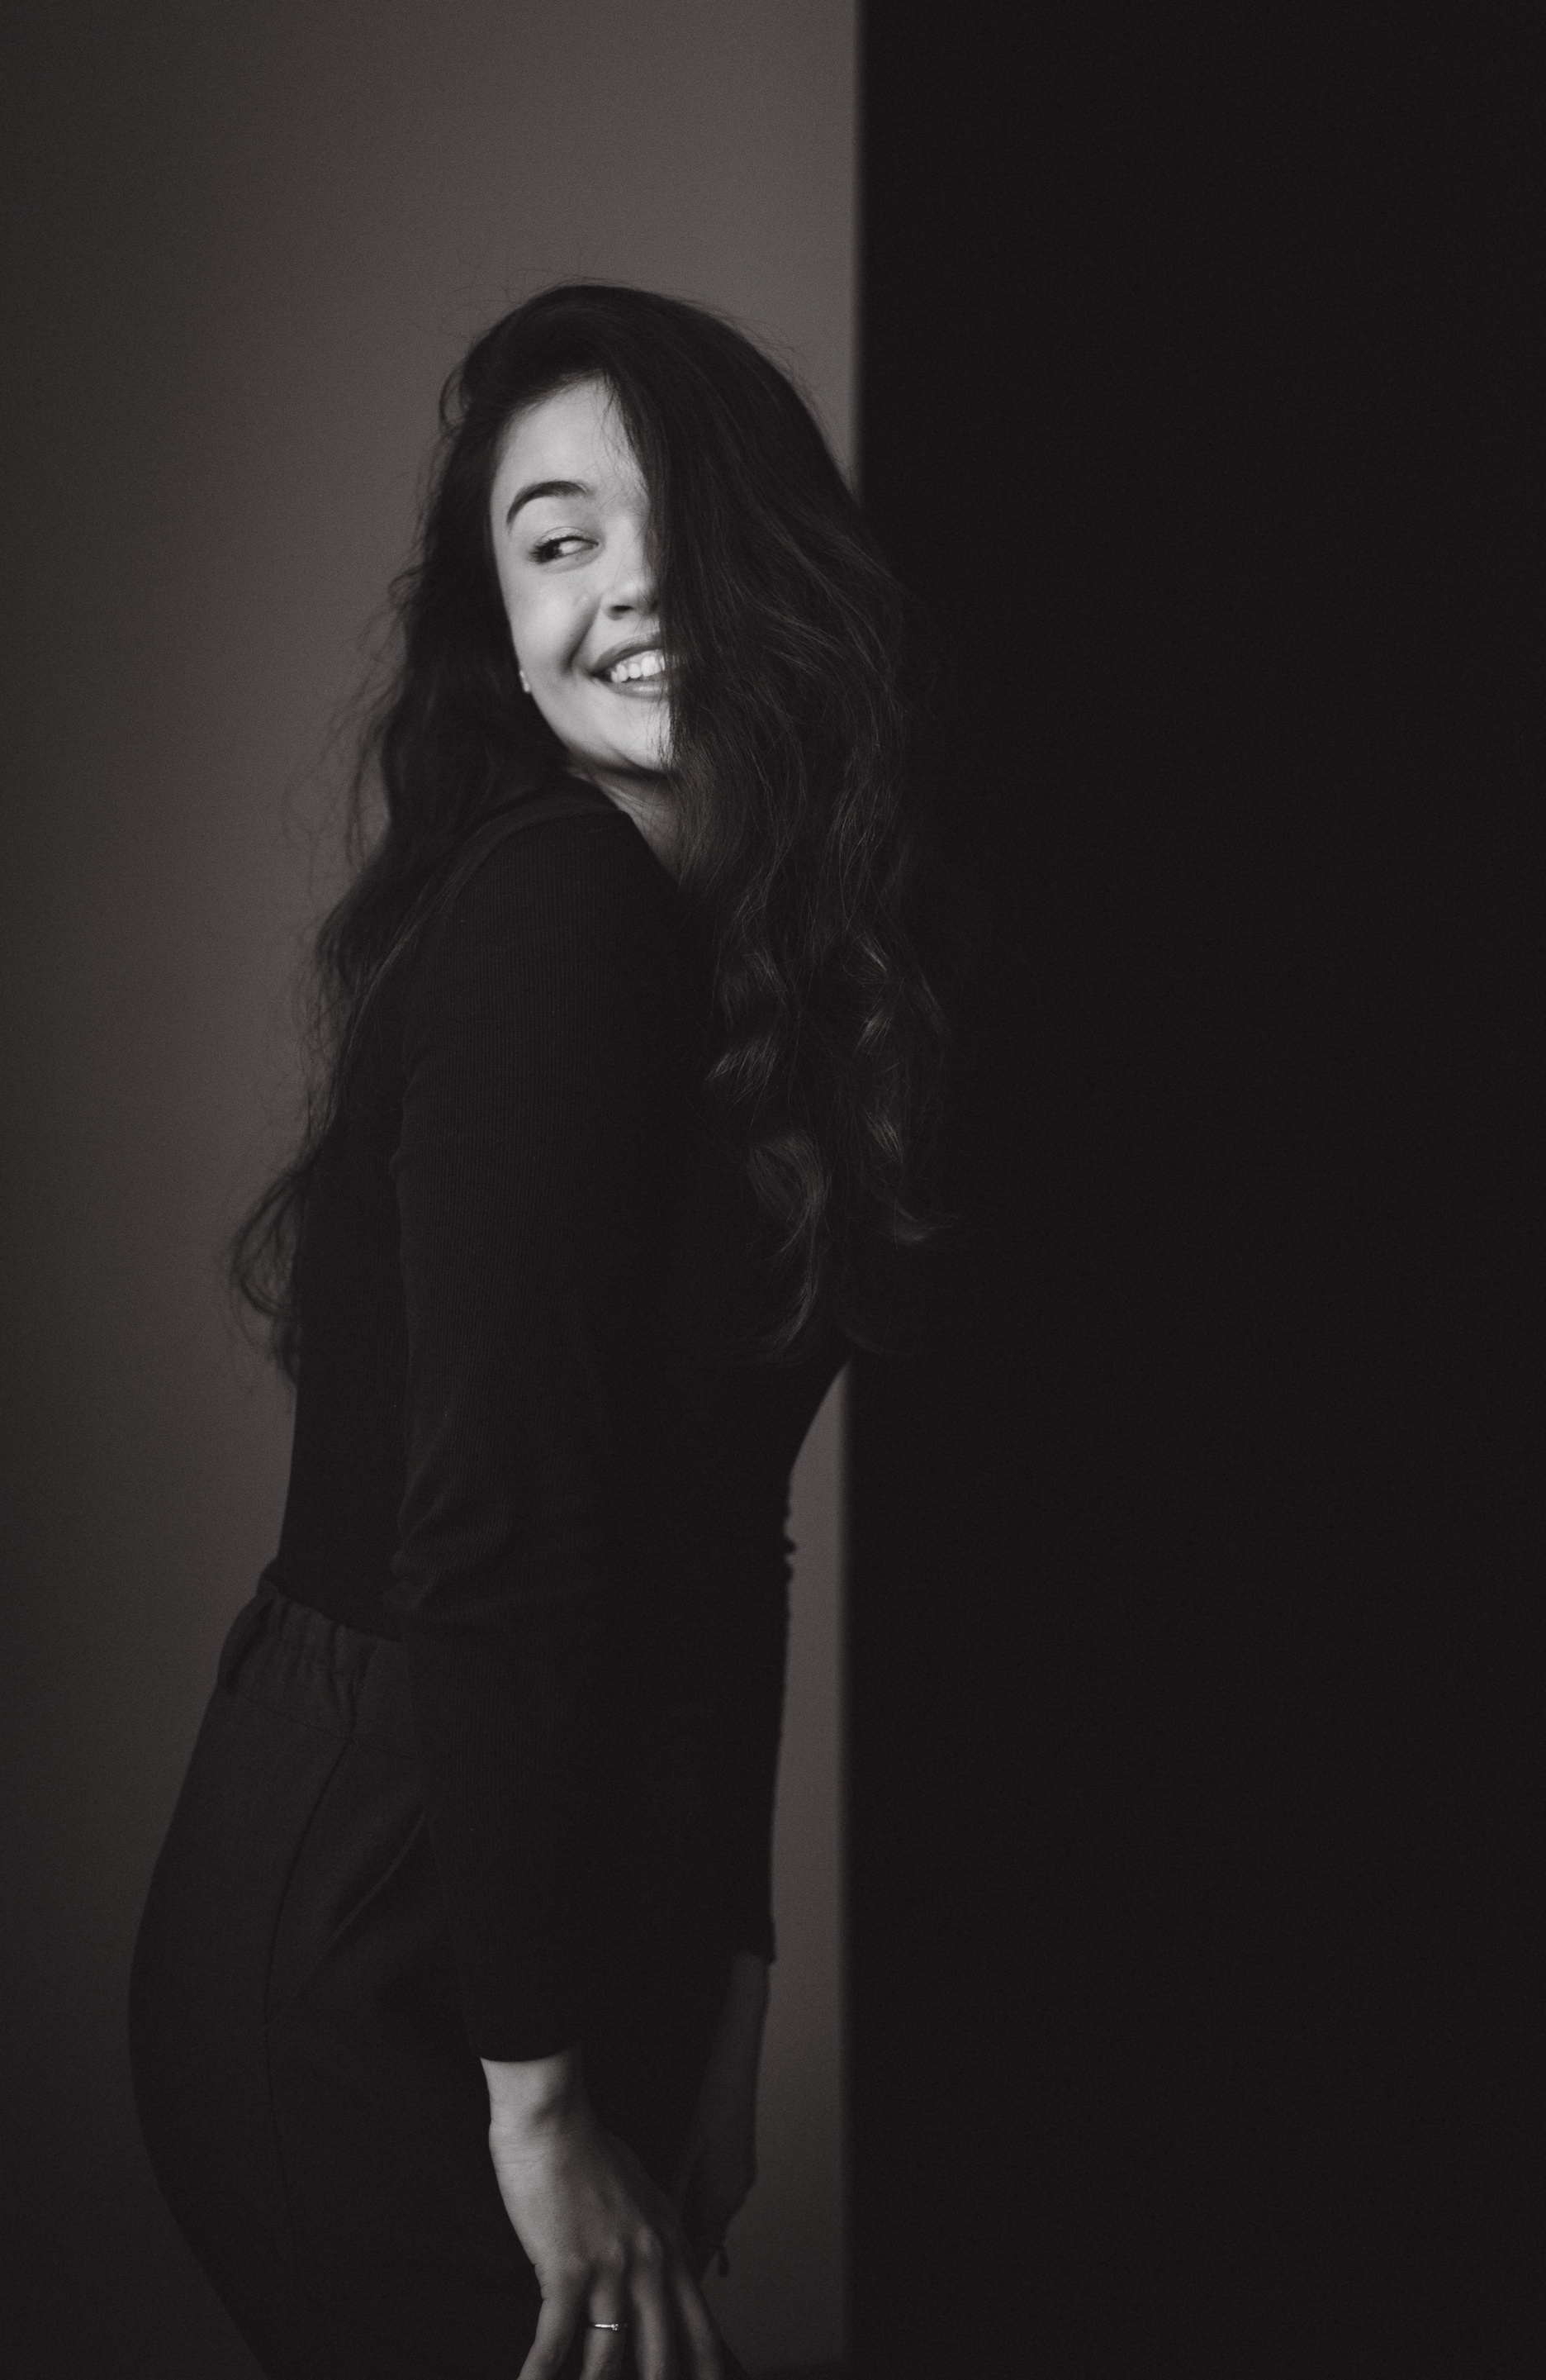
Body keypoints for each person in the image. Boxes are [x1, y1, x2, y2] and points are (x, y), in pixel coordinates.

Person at [128, 282, 946, 2380]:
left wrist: (733, 1993)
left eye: (671, 520)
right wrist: (547, 2100)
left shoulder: (760, 967)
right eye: (559, 540)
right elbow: (489, 1537)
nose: (630, 586)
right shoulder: (559, 915)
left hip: (556, 1911)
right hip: (395, 1932)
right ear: (500, 628)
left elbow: (730, 1528)